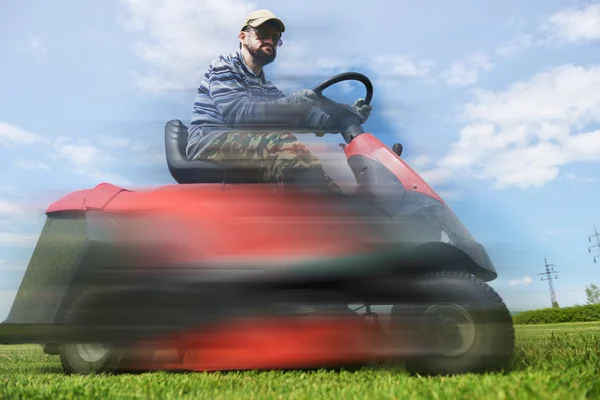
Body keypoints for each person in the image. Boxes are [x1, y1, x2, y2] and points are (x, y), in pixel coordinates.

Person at [187, 9, 372, 192]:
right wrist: (294, 103)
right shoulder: (224, 67)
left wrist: (344, 116)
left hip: (242, 142)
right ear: (243, 37)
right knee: (284, 146)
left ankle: (334, 208)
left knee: (321, 165)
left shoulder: (265, 85)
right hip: (210, 141)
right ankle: (331, 211)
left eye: (275, 38)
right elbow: (240, 115)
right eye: (263, 34)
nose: (270, 41)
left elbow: (299, 117)